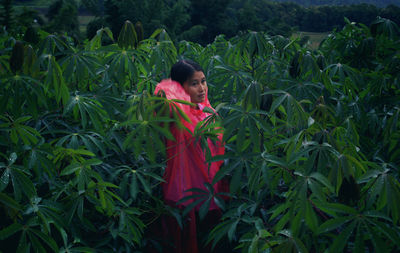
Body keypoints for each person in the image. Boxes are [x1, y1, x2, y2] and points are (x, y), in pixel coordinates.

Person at [153, 59, 227, 253]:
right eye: (194, 83)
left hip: (208, 191)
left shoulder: (208, 112)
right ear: (180, 88)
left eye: (203, 81)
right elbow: (163, 90)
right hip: (183, 192)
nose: (202, 88)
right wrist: (176, 92)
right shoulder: (175, 113)